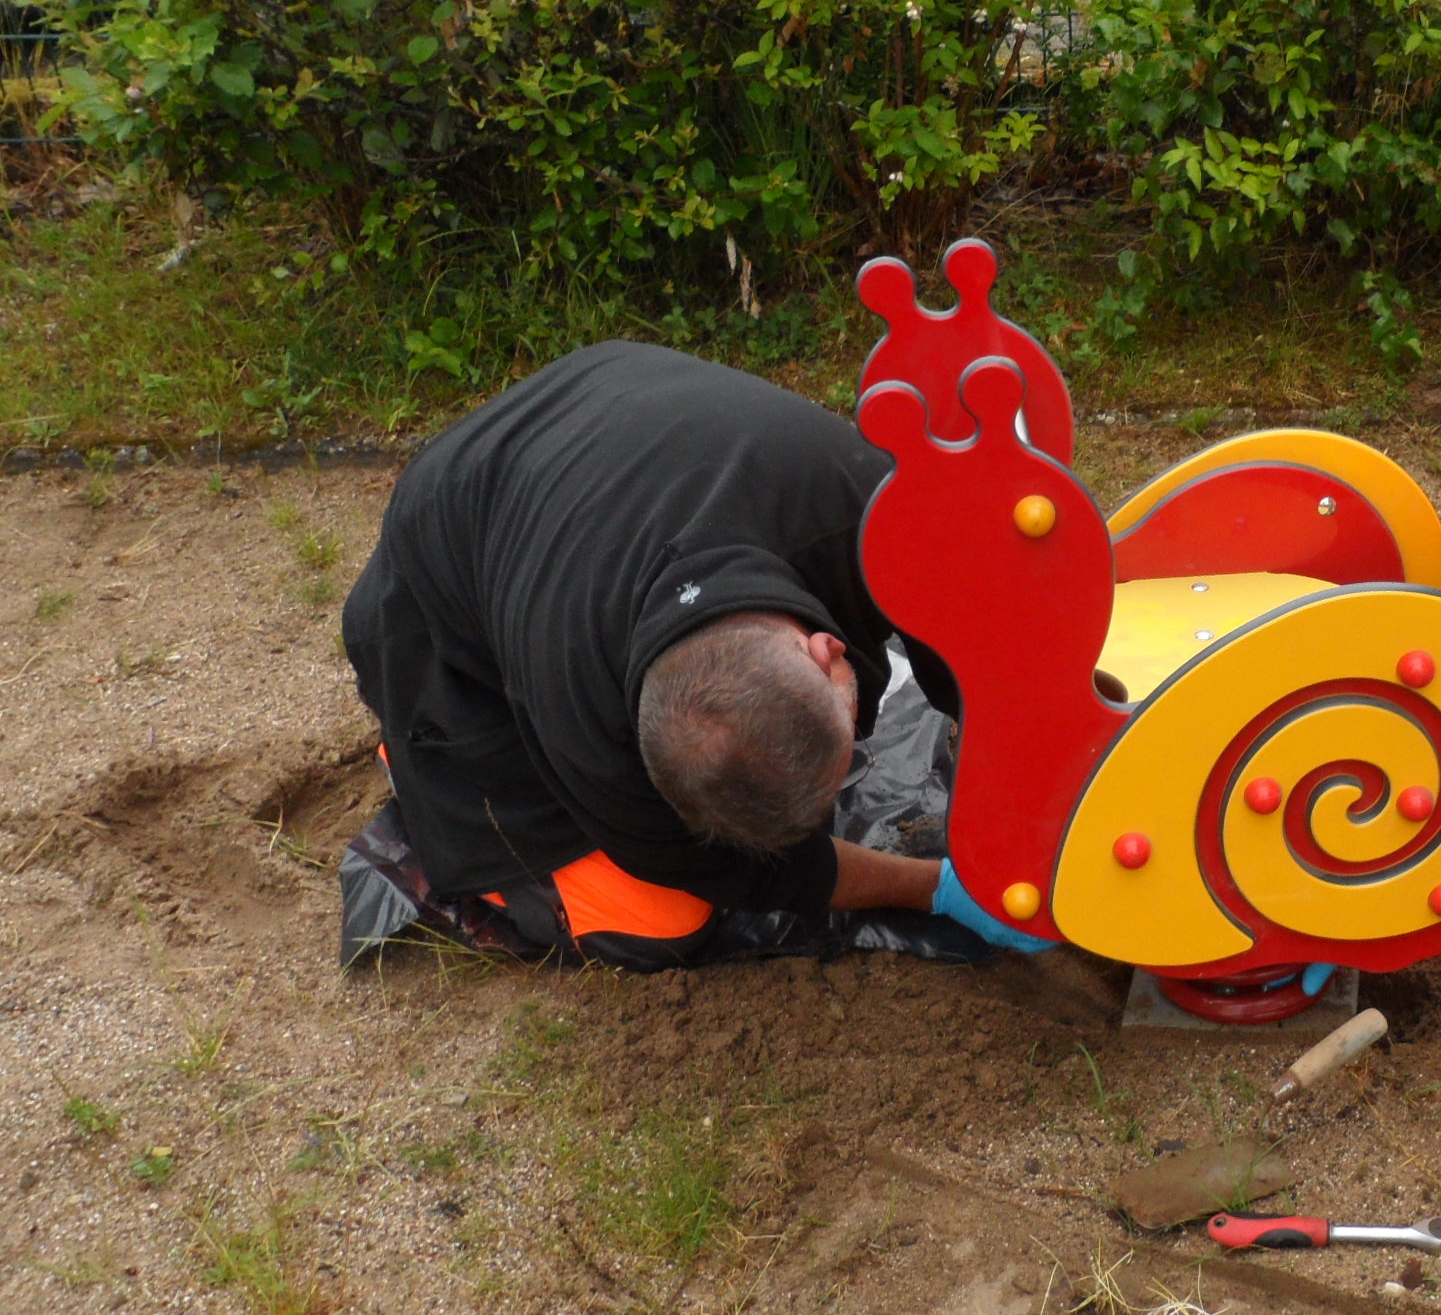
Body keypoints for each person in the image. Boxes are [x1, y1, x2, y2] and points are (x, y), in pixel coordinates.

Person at [340, 340, 1047, 970]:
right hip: (433, 635)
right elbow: (755, 875)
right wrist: (937, 888)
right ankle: (425, 767)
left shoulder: (863, 504)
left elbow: (972, 643)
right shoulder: (582, 721)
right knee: (661, 921)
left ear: (828, 650)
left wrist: (1028, 784)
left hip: (597, 424)